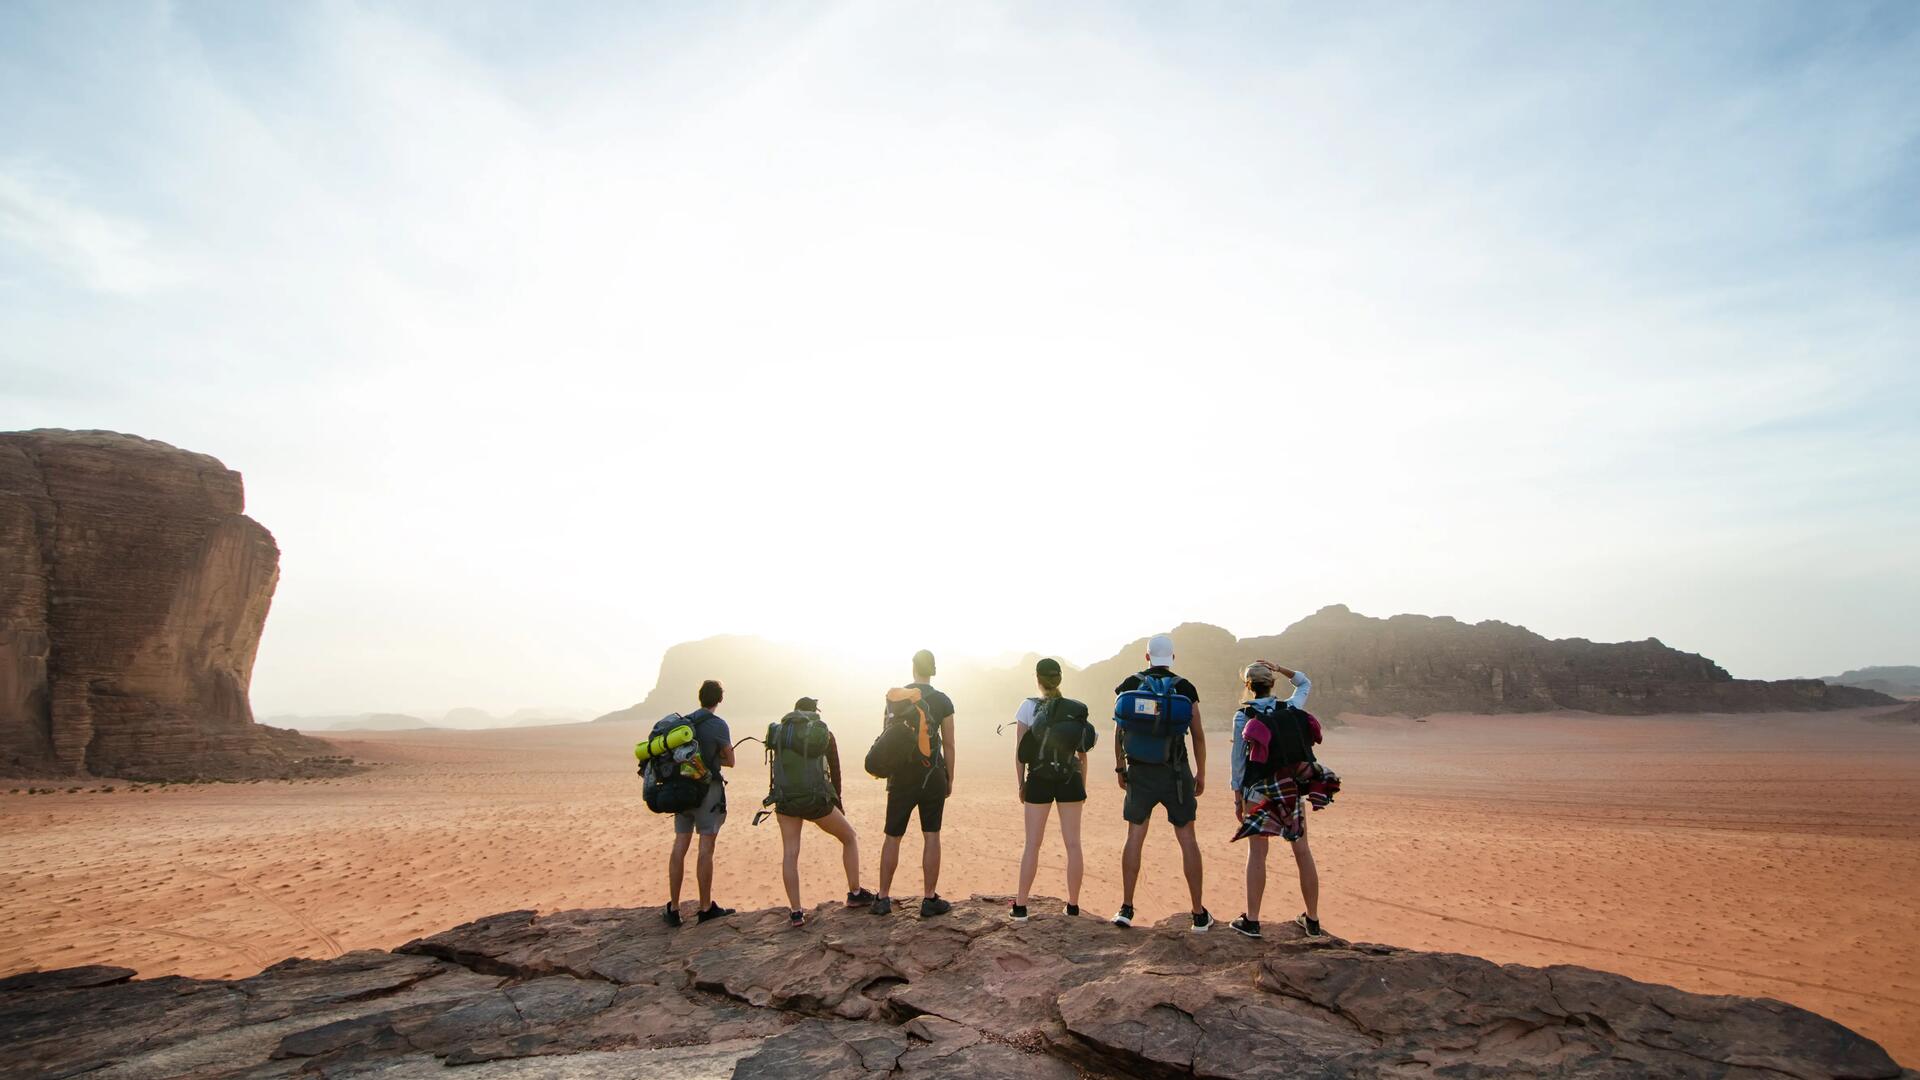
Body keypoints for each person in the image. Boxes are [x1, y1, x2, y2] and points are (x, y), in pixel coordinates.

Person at [1229, 661, 1340, 938]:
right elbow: (1305, 683)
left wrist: (1237, 796)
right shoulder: (1291, 708)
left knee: (1257, 853)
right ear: (1272, 683)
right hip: (1289, 789)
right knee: (1302, 851)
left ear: (1248, 686)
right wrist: (1281, 668)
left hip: (1258, 791)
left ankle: (1252, 921)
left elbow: (1238, 762)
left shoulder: (1243, 716)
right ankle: (1312, 920)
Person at [1111, 633, 1213, 931]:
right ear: (1172, 658)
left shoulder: (1129, 685)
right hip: (1176, 774)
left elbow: (1119, 732)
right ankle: (1197, 914)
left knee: (1134, 837)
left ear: (1147, 657)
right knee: (1187, 840)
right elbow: (1198, 735)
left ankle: (1126, 908)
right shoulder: (1185, 687)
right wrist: (1201, 772)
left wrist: (1120, 768)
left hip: (1140, 773)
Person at [766, 697, 877, 927]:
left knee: (790, 853)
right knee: (849, 837)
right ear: (814, 713)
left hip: (785, 800)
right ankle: (855, 893)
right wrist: (838, 804)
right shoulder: (822, 734)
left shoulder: (782, 733)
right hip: (815, 801)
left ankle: (796, 912)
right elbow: (835, 772)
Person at [875, 649, 957, 918]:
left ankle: (883, 898)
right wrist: (949, 777)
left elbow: (885, 736)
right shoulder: (943, 701)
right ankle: (929, 898)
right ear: (933, 670)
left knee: (892, 836)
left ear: (913, 668)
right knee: (931, 835)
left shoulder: (896, 698)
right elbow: (949, 743)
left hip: (901, 776)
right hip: (932, 774)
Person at [1010, 657, 1094, 920]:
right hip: (1070, 779)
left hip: (1039, 778)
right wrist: (1082, 785)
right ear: (1059, 680)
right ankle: (1073, 906)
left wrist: (1021, 783)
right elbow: (1082, 755)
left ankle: (1021, 907)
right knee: (1073, 845)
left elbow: (1021, 751)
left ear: (1037, 679)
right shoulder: (1075, 710)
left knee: (1032, 845)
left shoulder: (1028, 707)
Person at [665, 679, 735, 927]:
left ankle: (673, 908)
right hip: (708, 793)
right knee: (706, 849)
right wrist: (714, 759)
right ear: (719, 700)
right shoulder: (718, 725)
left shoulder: (684, 723)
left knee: (680, 844)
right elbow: (731, 761)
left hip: (682, 791)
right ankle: (705, 908)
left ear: (700, 697)